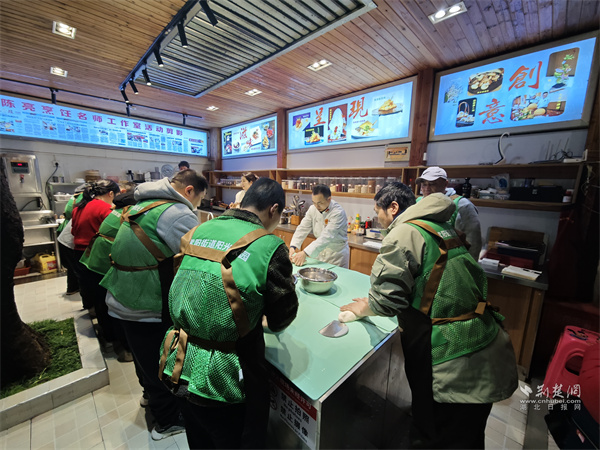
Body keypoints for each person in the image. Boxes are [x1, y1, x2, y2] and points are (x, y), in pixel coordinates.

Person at [339, 182, 518, 449]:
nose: (378, 218)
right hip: (483, 346)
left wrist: (365, 308)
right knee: (467, 438)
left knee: (435, 436)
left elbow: (387, 301)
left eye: (378, 211)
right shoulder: (438, 226)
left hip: (452, 361)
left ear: (393, 208)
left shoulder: (404, 233)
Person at [159, 177, 298, 449]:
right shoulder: (270, 246)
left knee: (199, 440)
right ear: (273, 210)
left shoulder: (198, 229)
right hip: (229, 377)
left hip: (180, 362)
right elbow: (281, 317)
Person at [101, 169, 207, 441]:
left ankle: (150, 397)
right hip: (147, 301)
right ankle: (167, 421)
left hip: (123, 295)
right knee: (161, 362)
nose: (197, 206)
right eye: (199, 200)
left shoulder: (144, 204)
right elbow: (200, 259)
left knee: (143, 358)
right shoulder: (177, 213)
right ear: (189, 191)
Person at [79, 181, 137, 361]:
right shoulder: (127, 215)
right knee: (111, 304)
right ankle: (121, 346)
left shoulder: (114, 211)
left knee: (102, 302)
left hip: (94, 260)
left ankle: (110, 340)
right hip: (103, 263)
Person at [71, 180, 120, 311]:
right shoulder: (105, 209)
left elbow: (73, 231)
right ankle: (103, 317)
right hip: (95, 253)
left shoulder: (79, 207)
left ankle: (91, 311)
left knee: (87, 285)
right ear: (111, 194)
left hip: (78, 252)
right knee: (100, 290)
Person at [416, 166, 482, 260]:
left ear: (445, 184)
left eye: (432, 184)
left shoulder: (462, 205)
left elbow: (473, 243)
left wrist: (468, 266)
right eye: (423, 184)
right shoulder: (418, 202)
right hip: (423, 260)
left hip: (448, 262)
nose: (427, 189)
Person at [289, 184, 349, 268]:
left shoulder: (338, 213)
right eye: (314, 202)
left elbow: (326, 236)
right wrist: (293, 246)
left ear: (329, 199)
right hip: (320, 254)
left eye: (320, 203)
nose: (317, 206)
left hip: (336, 256)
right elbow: (302, 228)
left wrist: (304, 253)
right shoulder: (313, 209)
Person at [56, 184, 86, 295]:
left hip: (65, 236)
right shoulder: (85, 202)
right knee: (76, 267)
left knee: (73, 267)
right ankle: (76, 289)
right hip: (69, 239)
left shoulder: (76, 199)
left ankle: (72, 289)